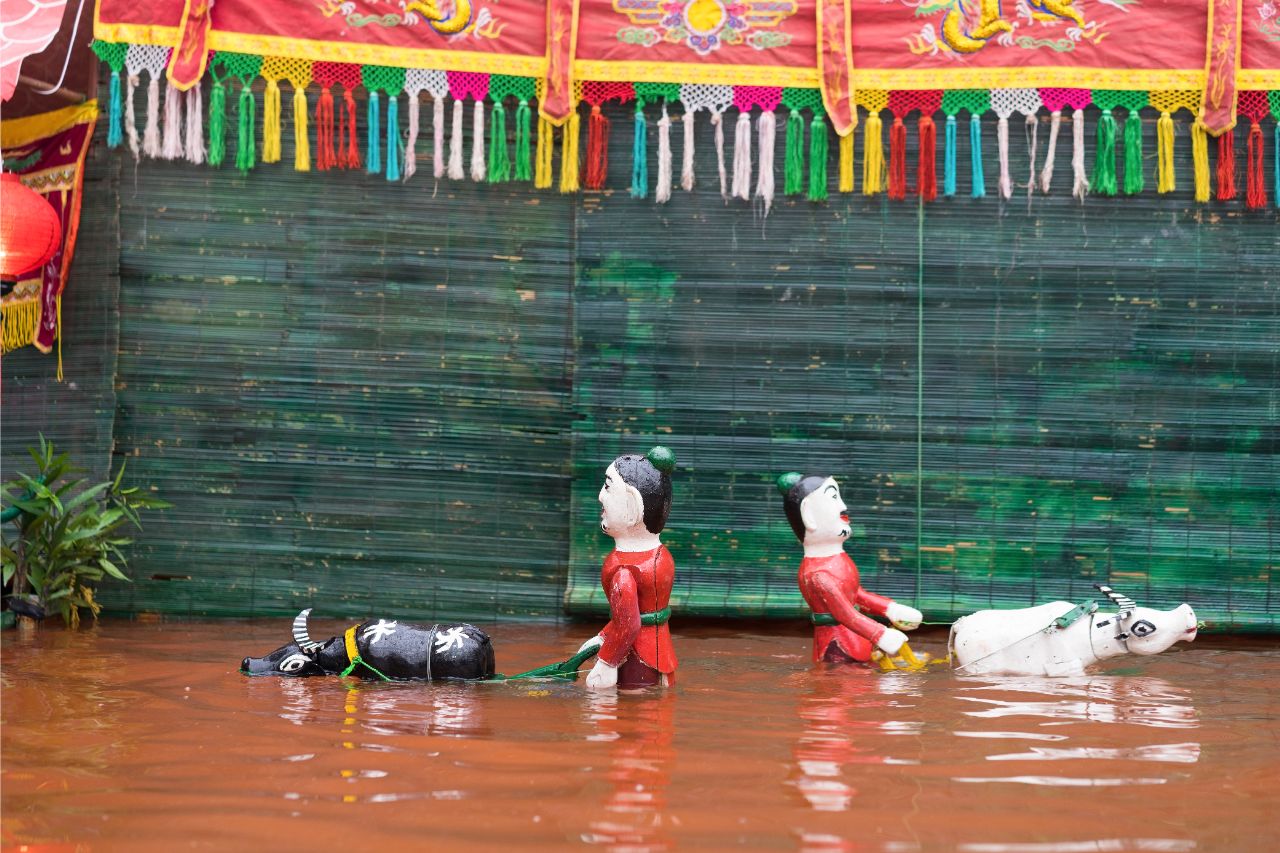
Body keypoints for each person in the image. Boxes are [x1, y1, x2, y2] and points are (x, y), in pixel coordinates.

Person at [777, 472, 923, 664]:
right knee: (847, 689)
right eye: (833, 497)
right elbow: (843, 613)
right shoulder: (817, 574)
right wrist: (880, 634)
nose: (843, 506)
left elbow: (857, 595)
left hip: (858, 642)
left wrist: (891, 609)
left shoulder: (838, 560)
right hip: (839, 651)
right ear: (808, 515)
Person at [578, 446, 678, 689]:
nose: (601, 496)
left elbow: (630, 623)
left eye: (608, 486)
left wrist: (606, 663)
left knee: (632, 718)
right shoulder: (661, 555)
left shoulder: (625, 569)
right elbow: (627, 619)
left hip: (636, 664)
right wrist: (601, 638)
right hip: (659, 655)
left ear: (633, 507)